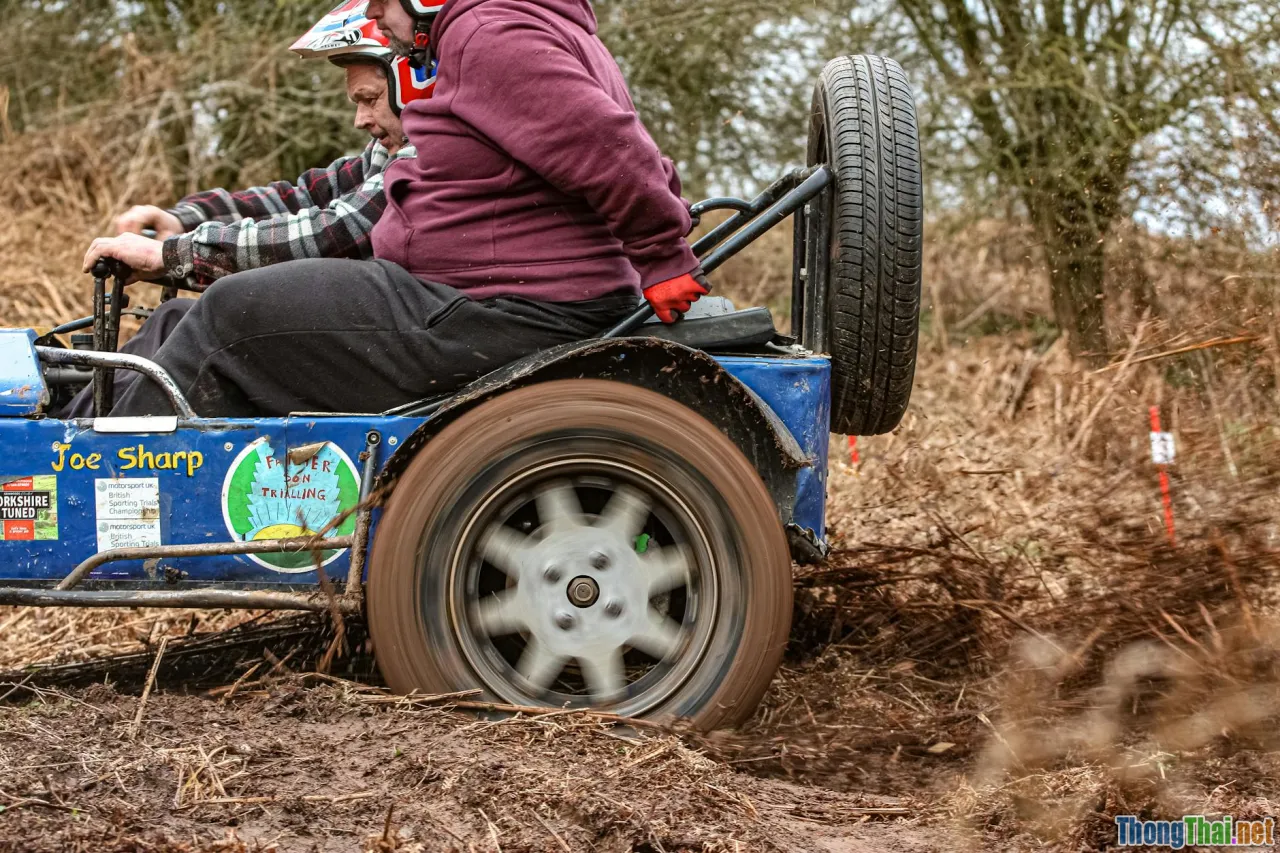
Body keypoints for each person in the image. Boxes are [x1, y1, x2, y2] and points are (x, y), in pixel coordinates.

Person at [95, 0, 709, 418]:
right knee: (186, 318)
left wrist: (660, 253)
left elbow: (607, 144)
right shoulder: (500, 31)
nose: (371, 13)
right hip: (490, 296)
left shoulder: (492, 36)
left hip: (508, 308)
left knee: (232, 312)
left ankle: (95, 485)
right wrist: (190, 220)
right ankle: (79, 425)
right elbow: (329, 186)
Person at [66, 2, 429, 418]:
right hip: (382, 327)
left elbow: (339, 231)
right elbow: (302, 198)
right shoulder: (388, 151)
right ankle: (65, 433)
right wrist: (184, 220)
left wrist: (173, 255)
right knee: (174, 319)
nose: (359, 119)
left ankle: (91, 463)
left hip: (401, 340)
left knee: (226, 307)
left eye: (370, 99)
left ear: (412, 84)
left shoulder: (427, 151)